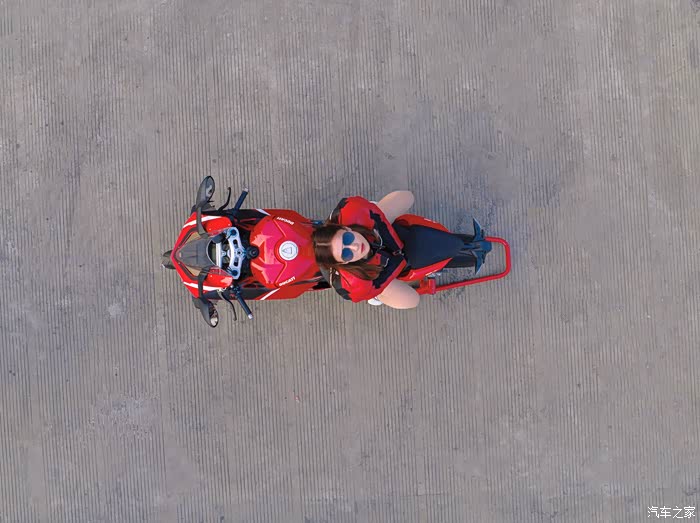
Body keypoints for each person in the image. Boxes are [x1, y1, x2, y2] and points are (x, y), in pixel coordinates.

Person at [312, 191, 420, 309]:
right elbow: (375, 284)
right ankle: (376, 296)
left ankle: (376, 209)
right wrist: (375, 289)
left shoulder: (356, 211)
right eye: (346, 254)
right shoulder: (356, 283)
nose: (355, 247)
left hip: (370, 227)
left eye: (347, 238)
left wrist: (375, 216)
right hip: (374, 275)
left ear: (345, 228)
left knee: (408, 197)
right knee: (412, 300)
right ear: (343, 263)